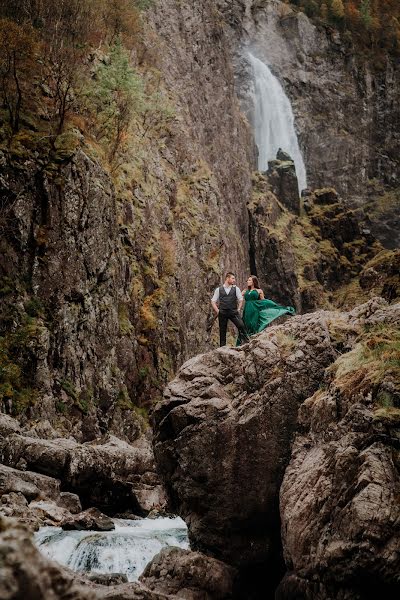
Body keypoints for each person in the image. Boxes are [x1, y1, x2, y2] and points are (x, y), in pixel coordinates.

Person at [237, 275, 295, 345]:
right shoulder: (245, 291)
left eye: (249, 280)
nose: (247, 281)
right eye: (248, 280)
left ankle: (253, 341)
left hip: (255, 310)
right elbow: (238, 296)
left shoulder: (259, 291)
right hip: (246, 310)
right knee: (245, 325)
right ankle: (245, 341)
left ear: (253, 282)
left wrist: (270, 305)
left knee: (253, 324)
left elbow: (263, 302)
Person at [211, 272, 250, 347]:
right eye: (232, 278)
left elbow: (241, 299)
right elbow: (213, 301)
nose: (234, 280)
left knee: (241, 326)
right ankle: (222, 349)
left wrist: (238, 309)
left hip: (233, 312)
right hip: (222, 312)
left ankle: (247, 342)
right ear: (227, 278)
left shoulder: (236, 289)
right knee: (222, 331)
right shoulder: (219, 289)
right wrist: (218, 311)